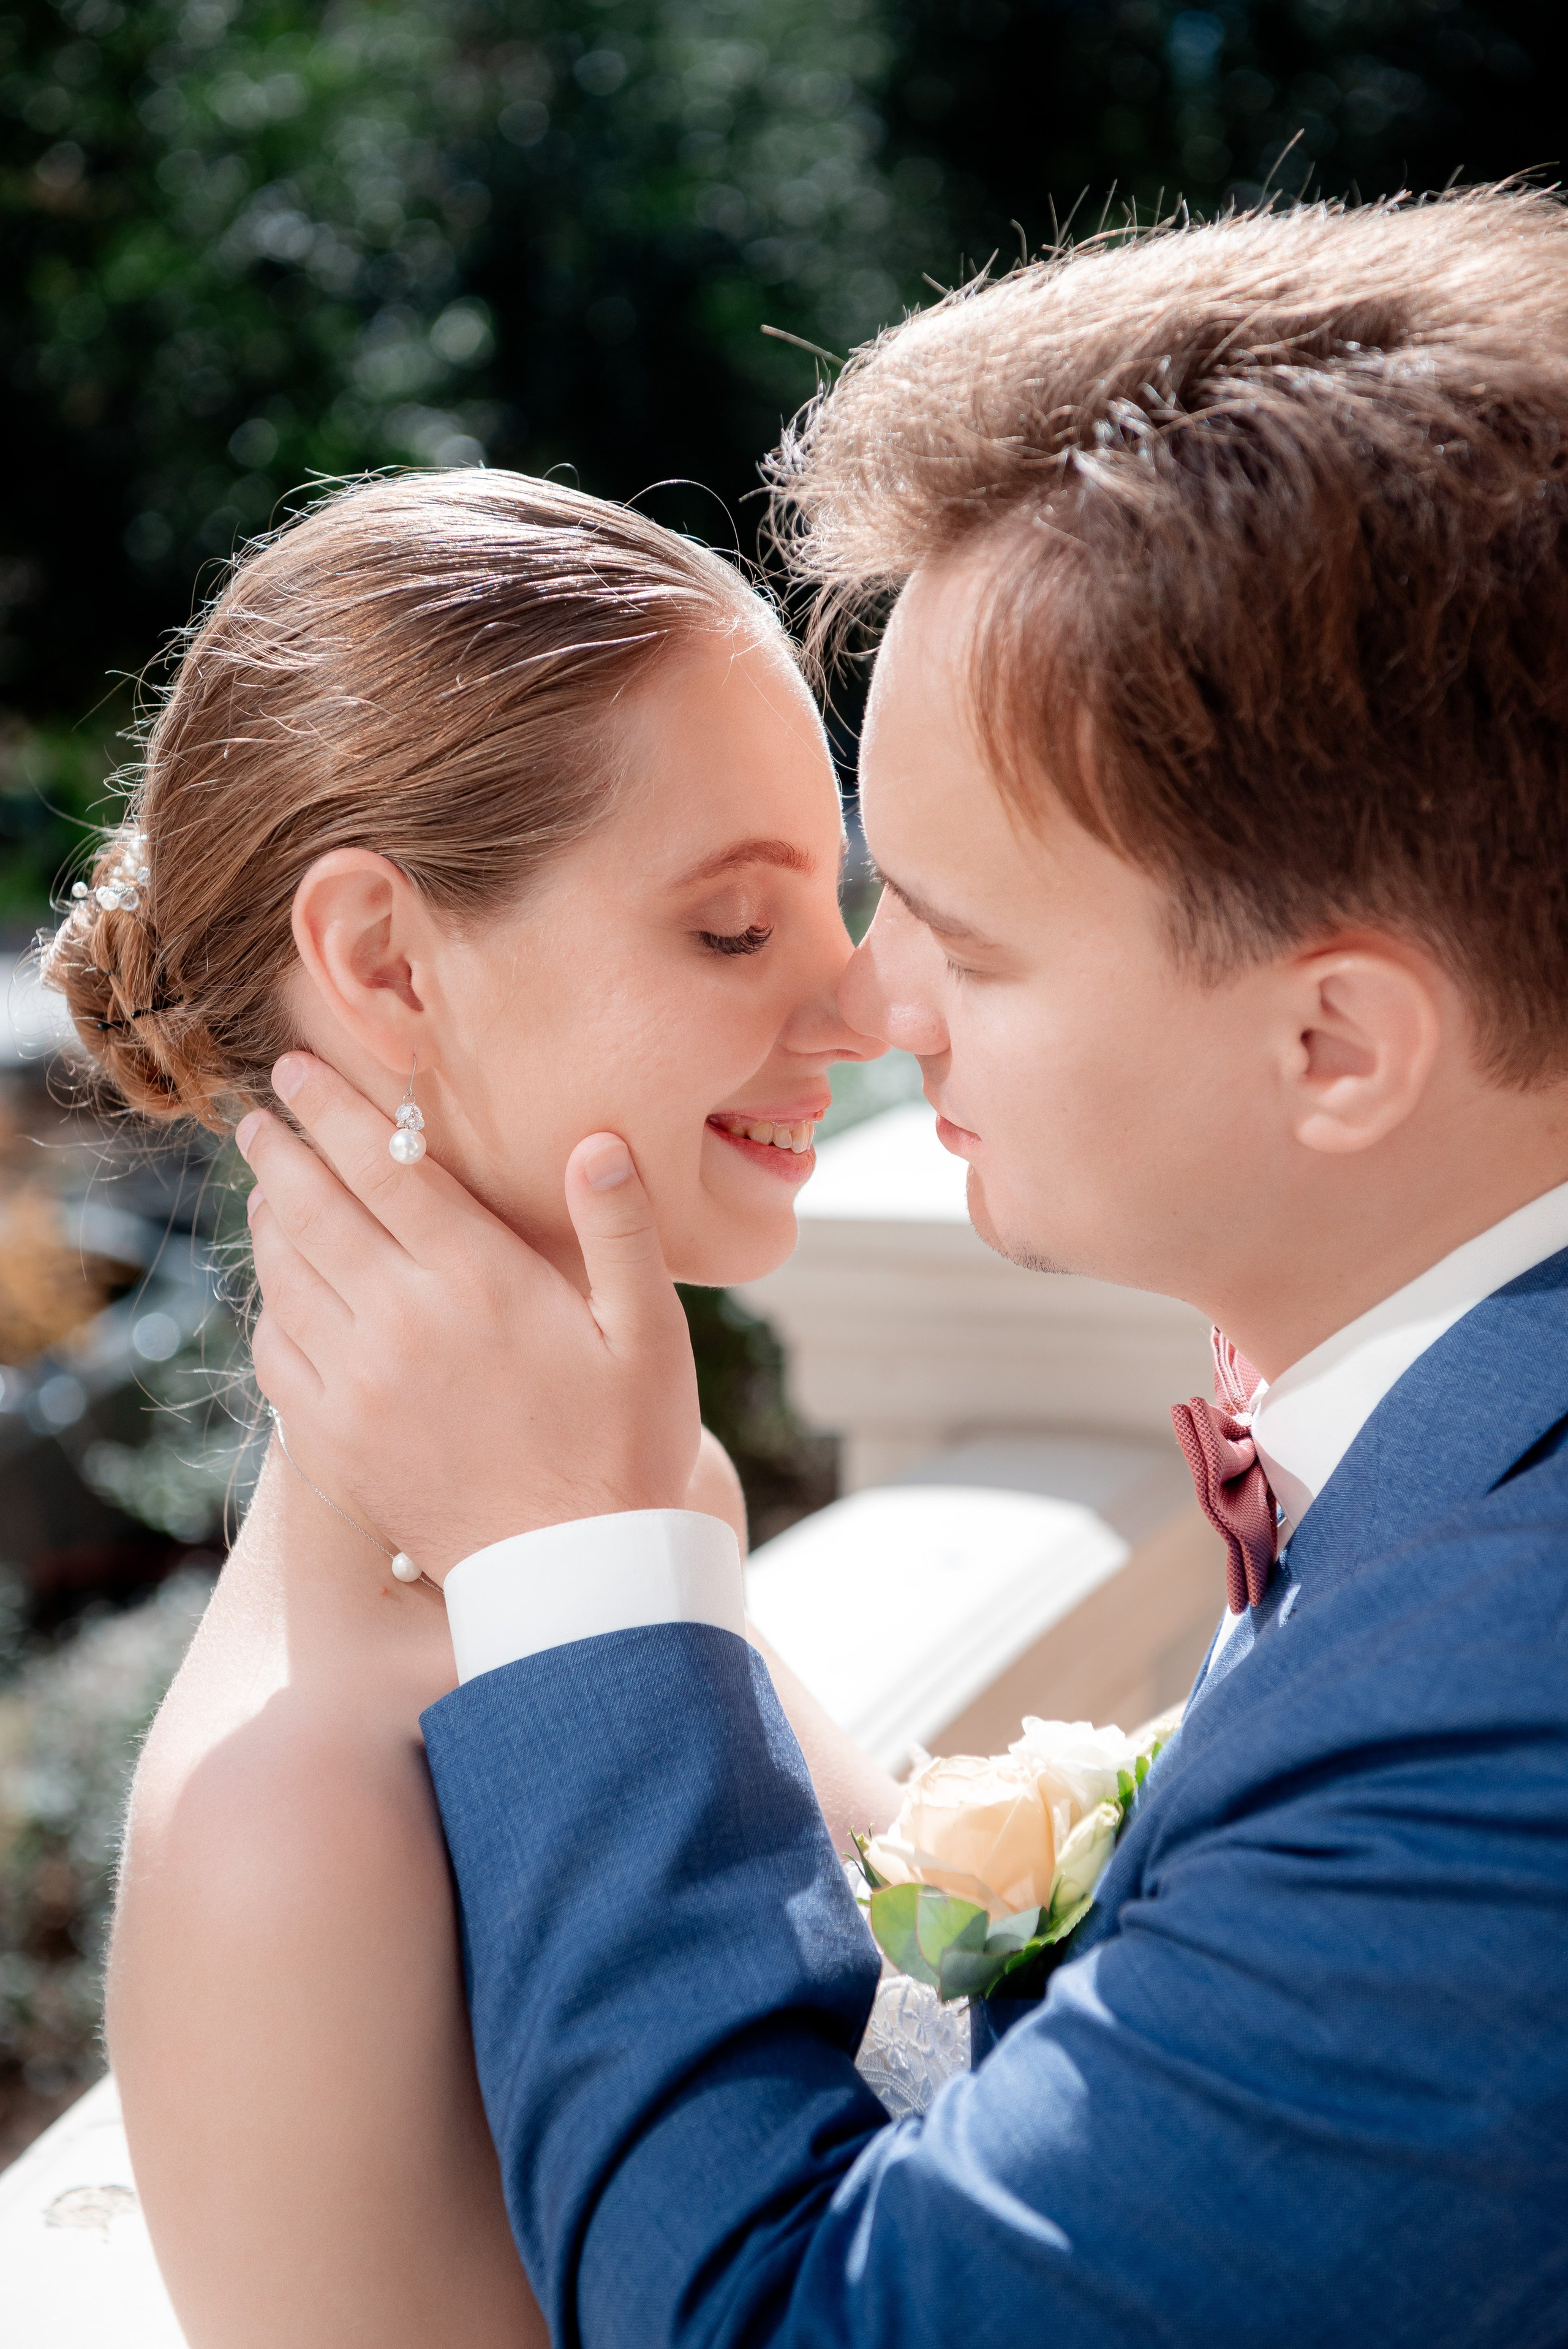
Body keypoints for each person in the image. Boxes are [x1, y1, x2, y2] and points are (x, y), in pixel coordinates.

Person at [243, 189, 1568, 2345]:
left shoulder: (1509, 1716)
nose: (882, 1006)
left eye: (959, 925)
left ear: (1335, 1043)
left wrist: (577, 1568)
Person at [47, 470, 900, 2347]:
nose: (865, 1009)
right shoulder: (300, 1828)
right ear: (383, 962)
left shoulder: (636, 1510)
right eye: (737, 930)